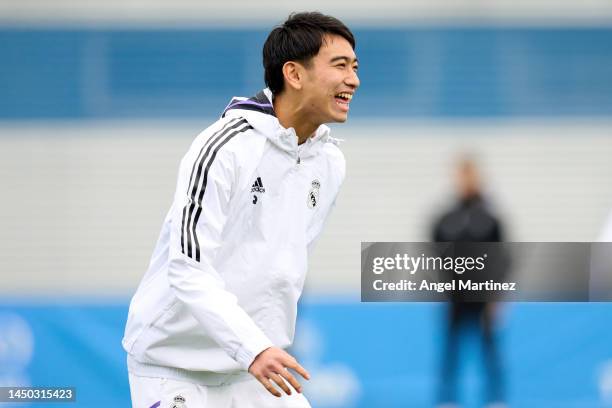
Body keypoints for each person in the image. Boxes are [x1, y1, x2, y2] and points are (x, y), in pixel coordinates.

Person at [122, 12, 359, 408]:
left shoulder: (330, 162)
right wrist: (253, 348)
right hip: (175, 369)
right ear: (294, 74)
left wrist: (259, 349)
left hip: (255, 371)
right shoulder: (223, 147)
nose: (353, 79)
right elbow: (187, 267)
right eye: (340, 66)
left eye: (354, 67)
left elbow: (285, 267)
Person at [432, 157, 506, 408]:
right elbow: (436, 256)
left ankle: (495, 399)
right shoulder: (445, 219)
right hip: (455, 297)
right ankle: (448, 399)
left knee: (490, 350)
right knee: (451, 350)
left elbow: (500, 259)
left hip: (483, 298)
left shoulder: (490, 219)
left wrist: (497, 298)